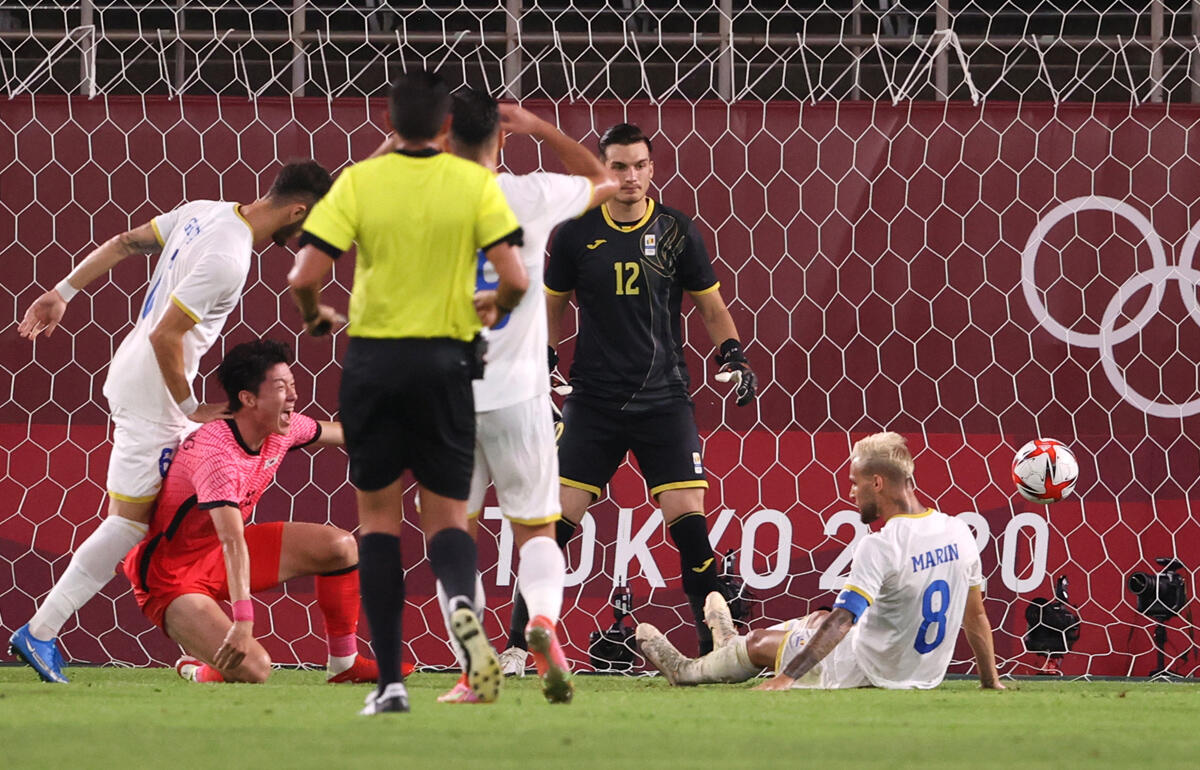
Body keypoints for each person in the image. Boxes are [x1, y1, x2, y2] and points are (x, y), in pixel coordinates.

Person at [9, 161, 333, 684]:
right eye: (314, 225)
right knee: (129, 521)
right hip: (156, 391)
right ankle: (42, 631)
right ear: (298, 211)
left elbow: (124, 241)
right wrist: (188, 407)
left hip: (137, 372)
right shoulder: (231, 257)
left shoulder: (205, 211)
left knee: (146, 512)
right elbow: (167, 335)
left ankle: (173, 600)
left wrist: (64, 292)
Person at [288, 69, 528, 715]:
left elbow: (302, 273)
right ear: (448, 127)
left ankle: (390, 683)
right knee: (447, 518)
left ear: (389, 123)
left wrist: (315, 315)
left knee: (376, 522)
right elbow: (515, 276)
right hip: (446, 363)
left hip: (373, 364)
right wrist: (494, 301)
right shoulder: (474, 183)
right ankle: (462, 614)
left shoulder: (360, 183)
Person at [502, 122, 758, 663]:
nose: (630, 177)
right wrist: (543, 356)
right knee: (553, 526)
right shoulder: (575, 233)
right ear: (602, 170)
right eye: (618, 166)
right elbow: (552, 304)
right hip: (593, 402)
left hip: (664, 402)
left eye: (640, 165)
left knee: (690, 527)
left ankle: (716, 649)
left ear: (651, 168)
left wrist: (733, 353)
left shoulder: (675, 230)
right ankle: (517, 649)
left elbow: (711, 306)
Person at [428, 91, 618, 705]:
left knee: (454, 536)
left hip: (449, 398)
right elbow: (605, 180)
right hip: (521, 396)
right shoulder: (530, 195)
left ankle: (473, 668)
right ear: (502, 139)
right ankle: (541, 622)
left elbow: (345, 196)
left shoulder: (422, 203)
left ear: (445, 137)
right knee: (537, 531)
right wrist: (538, 124)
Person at [636, 431, 1006, 692]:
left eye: (854, 482)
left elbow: (844, 622)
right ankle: (728, 643)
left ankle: (687, 671)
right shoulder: (957, 530)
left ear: (877, 483)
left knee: (763, 642)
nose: (850, 491)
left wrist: (787, 679)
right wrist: (990, 680)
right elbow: (975, 615)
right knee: (817, 620)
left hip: (868, 670)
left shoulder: (882, 545)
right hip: (923, 673)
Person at [121, 339, 377, 684]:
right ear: (248, 398)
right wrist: (243, 621)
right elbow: (232, 540)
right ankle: (195, 670)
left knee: (341, 546)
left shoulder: (280, 429)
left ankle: (344, 665)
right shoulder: (216, 453)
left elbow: (341, 434)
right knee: (255, 668)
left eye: (293, 385)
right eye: (281, 387)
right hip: (170, 577)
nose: (293, 396)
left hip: (218, 556)